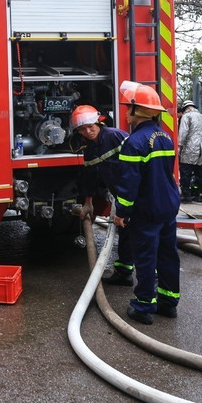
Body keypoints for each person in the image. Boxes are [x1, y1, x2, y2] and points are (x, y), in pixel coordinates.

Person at [113, 81, 181, 325]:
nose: (125, 113)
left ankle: (143, 307)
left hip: (147, 209)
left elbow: (129, 184)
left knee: (145, 257)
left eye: (127, 108)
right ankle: (168, 303)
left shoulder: (134, 142)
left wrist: (121, 212)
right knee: (168, 254)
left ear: (136, 110)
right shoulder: (165, 137)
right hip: (167, 206)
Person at [69, 105, 132, 286]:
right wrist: (88, 203)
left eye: (91, 126)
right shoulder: (90, 150)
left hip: (134, 193)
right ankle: (124, 272)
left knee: (140, 233)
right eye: (83, 129)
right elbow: (90, 178)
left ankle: (153, 277)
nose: (88, 131)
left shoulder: (115, 136)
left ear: (99, 122)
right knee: (125, 231)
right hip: (120, 194)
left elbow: (136, 165)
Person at [178, 100, 202, 202]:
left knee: (185, 171)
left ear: (185, 108)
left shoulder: (187, 116)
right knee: (199, 172)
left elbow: (183, 132)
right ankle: (198, 195)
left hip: (190, 148)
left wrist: (179, 145)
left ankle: (186, 195)